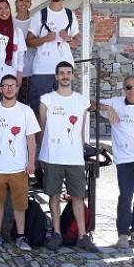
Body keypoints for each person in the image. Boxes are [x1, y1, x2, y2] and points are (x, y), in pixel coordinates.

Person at [38, 61, 98, 252]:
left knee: (79, 196)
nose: (65, 76)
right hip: (53, 156)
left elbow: (80, 129)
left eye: (68, 73)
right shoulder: (47, 99)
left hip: (74, 157)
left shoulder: (81, 101)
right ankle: (56, 233)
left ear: (73, 76)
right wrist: (40, 155)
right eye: (61, 73)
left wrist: (81, 149)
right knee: (54, 195)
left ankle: (82, 235)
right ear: (56, 77)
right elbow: (43, 128)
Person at [0, 74, 40, 251]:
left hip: (19, 167)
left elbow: (31, 139)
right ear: (0, 89)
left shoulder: (25, 111)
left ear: (17, 88)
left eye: (13, 85)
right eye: (6, 85)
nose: (9, 88)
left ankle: (21, 236)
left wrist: (31, 162)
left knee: (20, 204)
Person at [94, 75, 134, 249]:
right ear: (124, 89)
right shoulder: (115, 103)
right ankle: (122, 234)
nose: (132, 91)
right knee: (126, 196)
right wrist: (105, 107)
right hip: (124, 160)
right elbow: (88, 104)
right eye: (128, 87)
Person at [26, 0, 80, 117]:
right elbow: (29, 41)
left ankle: (61, 137)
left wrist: (67, 38)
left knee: (64, 109)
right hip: (42, 69)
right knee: (39, 110)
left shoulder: (70, 15)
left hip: (65, 70)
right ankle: (39, 139)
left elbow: (76, 43)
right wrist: (44, 39)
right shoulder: (40, 15)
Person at [13, 0, 34, 104]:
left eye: (27, 1)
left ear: (30, 4)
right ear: (16, 3)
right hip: (11, 70)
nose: (24, 3)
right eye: (21, 0)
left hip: (30, 70)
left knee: (26, 104)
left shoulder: (34, 21)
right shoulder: (10, 21)